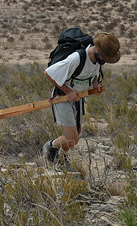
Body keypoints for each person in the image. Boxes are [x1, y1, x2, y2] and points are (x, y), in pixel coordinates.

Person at [42, 32, 121, 168]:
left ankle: (61, 158)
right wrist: (68, 92)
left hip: (78, 97)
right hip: (62, 97)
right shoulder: (76, 58)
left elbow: (93, 74)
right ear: (96, 48)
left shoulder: (98, 59)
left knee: (75, 137)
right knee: (72, 138)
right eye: (105, 56)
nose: (105, 60)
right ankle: (50, 146)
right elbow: (49, 73)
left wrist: (95, 84)